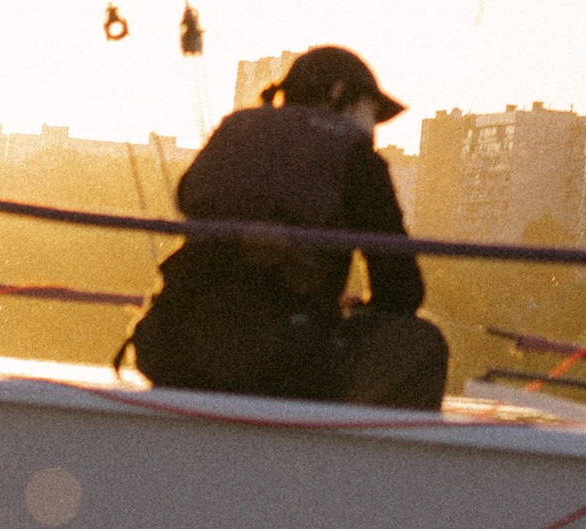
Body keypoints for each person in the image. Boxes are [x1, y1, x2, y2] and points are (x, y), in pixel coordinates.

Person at [131, 46, 446, 408]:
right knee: (424, 342)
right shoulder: (356, 158)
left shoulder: (234, 131)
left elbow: (192, 206)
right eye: (372, 112)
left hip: (172, 349)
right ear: (339, 94)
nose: (373, 128)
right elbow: (402, 291)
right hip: (287, 365)